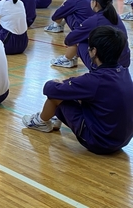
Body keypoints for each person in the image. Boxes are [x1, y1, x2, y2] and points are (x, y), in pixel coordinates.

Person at [23, 26, 133, 154]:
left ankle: (40, 122)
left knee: (56, 96)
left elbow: (50, 89)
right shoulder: (124, 72)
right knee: (77, 94)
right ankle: (55, 118)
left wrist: (58, 83)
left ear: (94, 51)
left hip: (100, 143)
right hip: (121, 140)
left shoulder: (95, 81)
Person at [51, 0, 130, 69]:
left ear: (95, 3)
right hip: (124, 63)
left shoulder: (95, 20)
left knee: (80, 40)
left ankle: (66, 60)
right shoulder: (115, 16)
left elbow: (70, 39)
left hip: (105, 68)